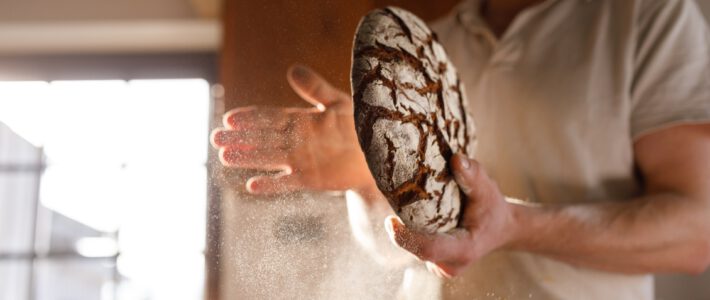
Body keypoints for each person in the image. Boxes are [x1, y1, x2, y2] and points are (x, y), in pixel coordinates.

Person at [211, 0, 710, 298]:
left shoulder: (647, 19)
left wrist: (513, 227)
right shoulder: (427, 48)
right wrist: (369, 177)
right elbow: (402, 252)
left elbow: (696, 234)